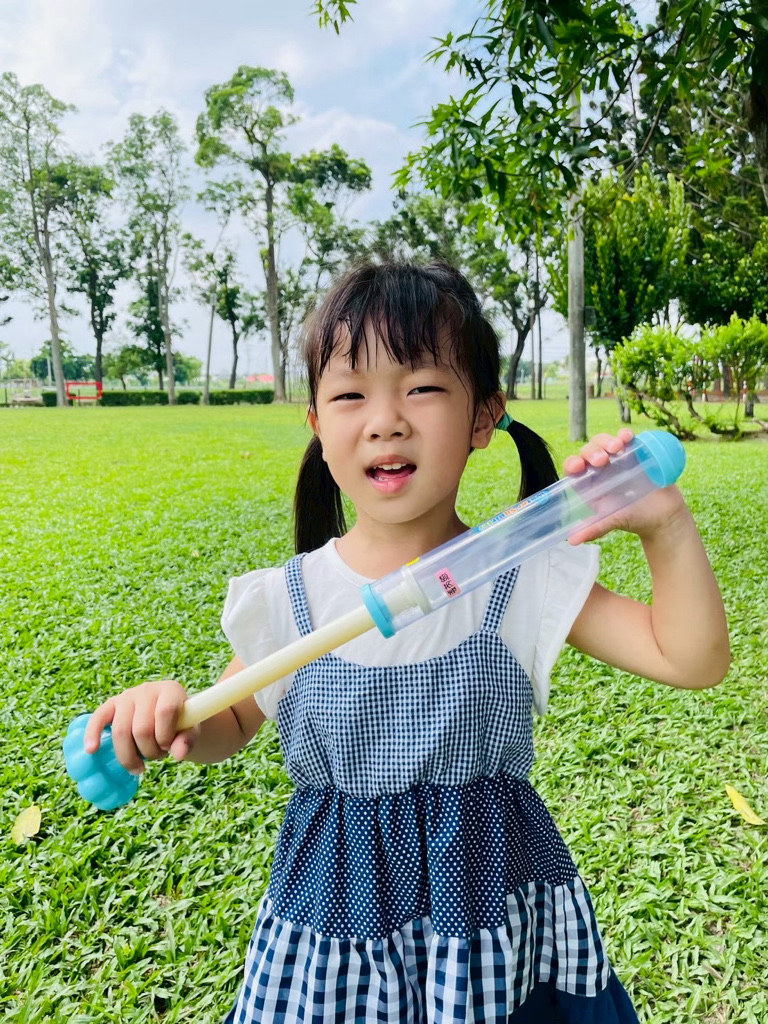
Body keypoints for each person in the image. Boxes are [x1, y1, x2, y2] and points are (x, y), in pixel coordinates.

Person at [84, 259, 730, 1023]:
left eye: (421, 387)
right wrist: (168, 715)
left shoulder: (520, 575)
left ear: (484, 418)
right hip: (336, 917)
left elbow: (691, 658)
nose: (385, 420)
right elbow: (228, 719)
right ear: (318, 427)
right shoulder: (291, 598)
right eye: (350, 395)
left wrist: (664, 525)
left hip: (490, 920)